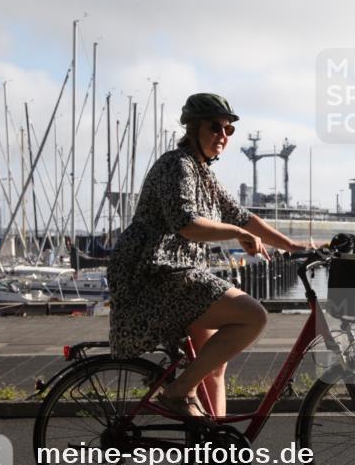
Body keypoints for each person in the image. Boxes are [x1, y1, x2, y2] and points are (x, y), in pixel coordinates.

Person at [107, 93, 308, 427]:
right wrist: (236, 233)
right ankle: (178, 392)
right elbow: (186, 223)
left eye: (229, 129)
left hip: (179, 274)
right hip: (154, 272)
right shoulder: (177, 165)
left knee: (213, 366)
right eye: (215, 127)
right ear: (193, 128)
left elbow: (242, 216)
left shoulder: (204, 174)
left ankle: (217, 448)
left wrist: (292, 246)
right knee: (253, 316)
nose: (223, 135)